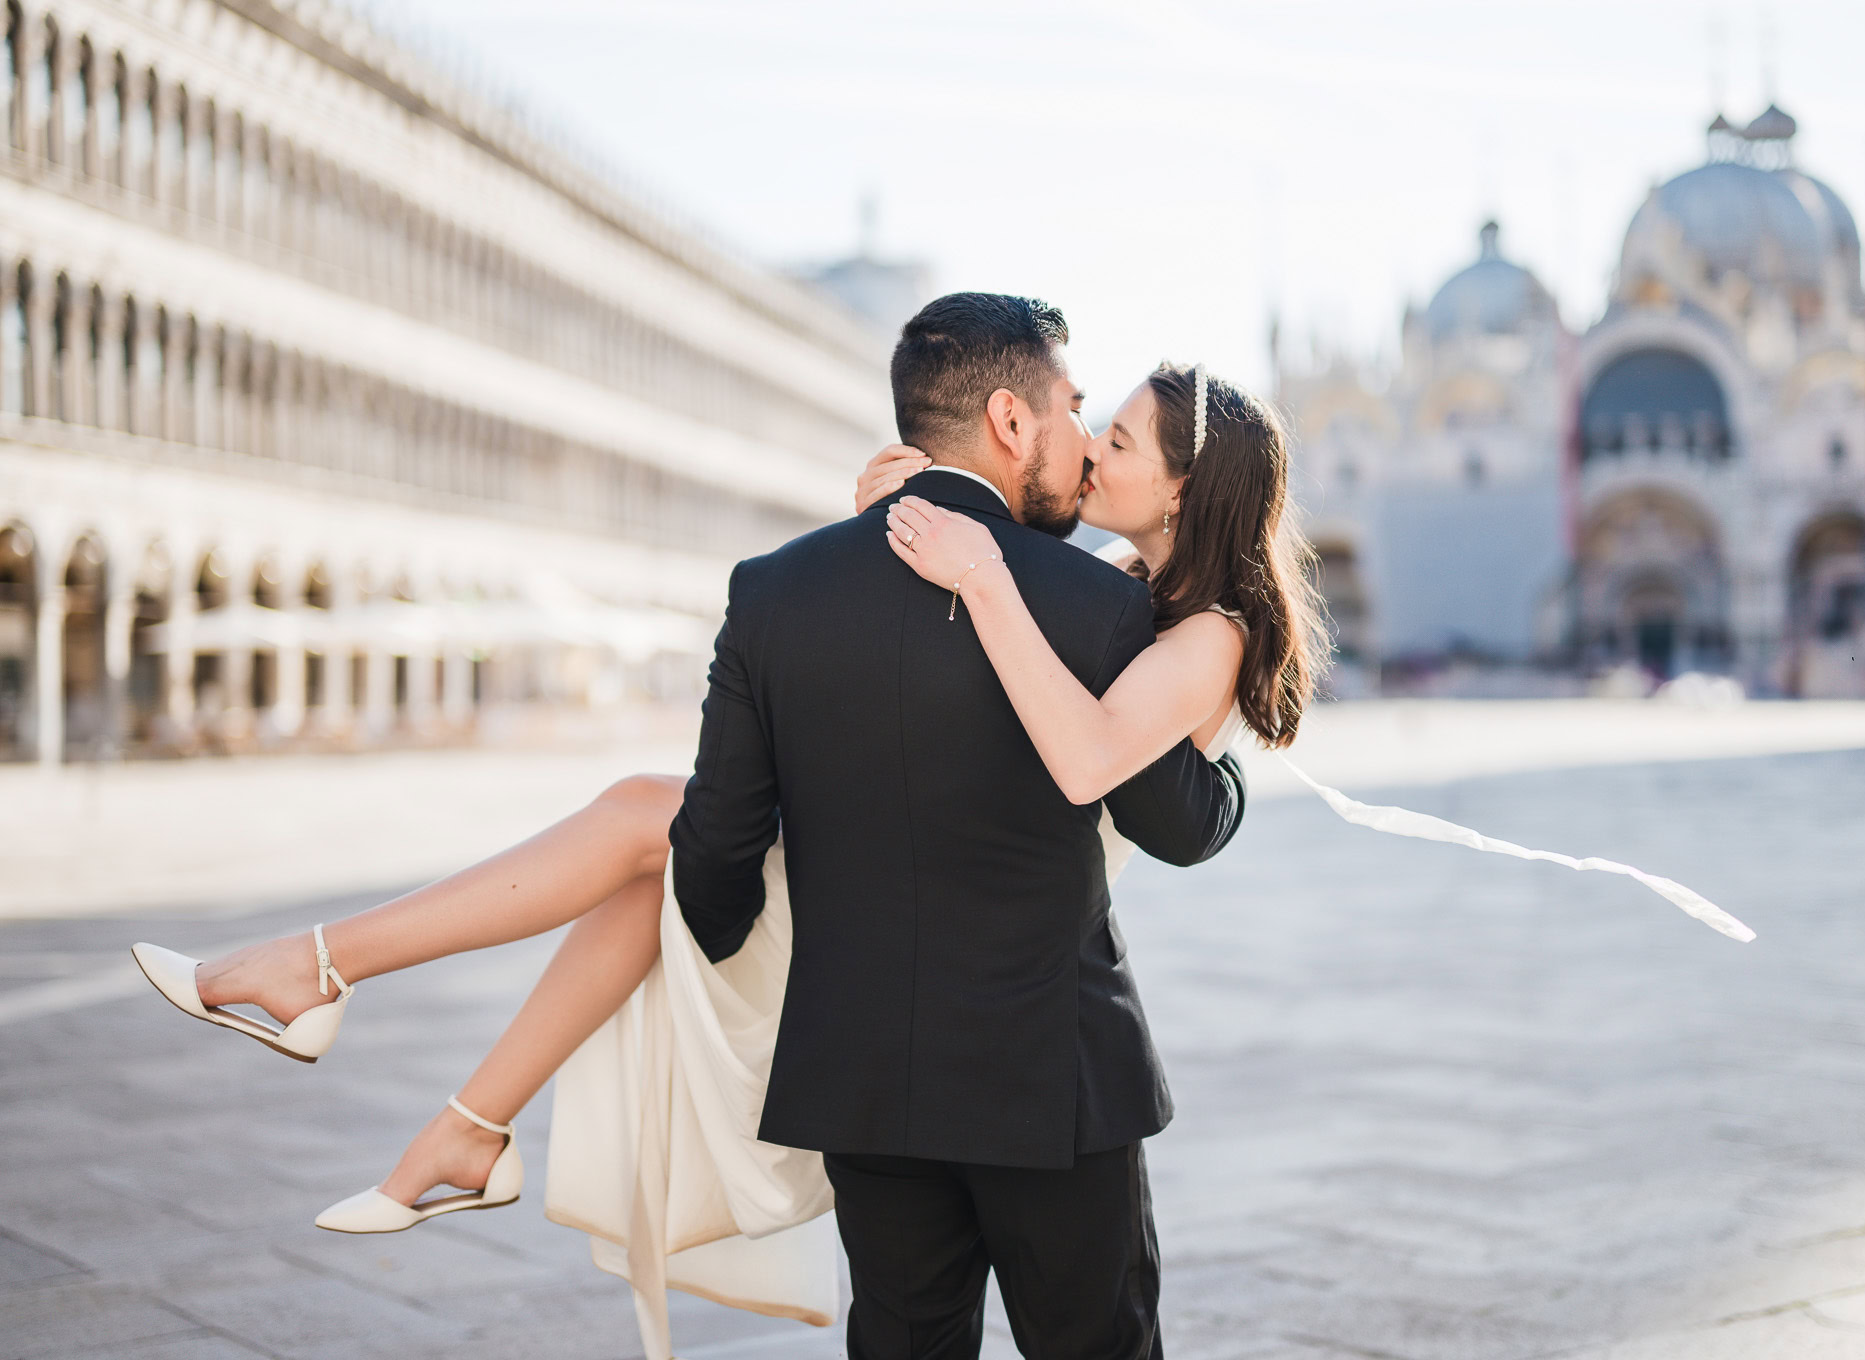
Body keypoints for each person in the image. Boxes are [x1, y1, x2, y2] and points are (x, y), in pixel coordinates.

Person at [132, 292, 1323, 1360]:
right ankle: (425, 1081)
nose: (1089, 444)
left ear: (1178, 485)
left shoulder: (831, 588)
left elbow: (1134, 790)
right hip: (1041, 1067)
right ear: (1011, 424)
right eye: (1081, 418)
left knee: (652, 842)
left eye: (1112, 436)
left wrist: (954, 560)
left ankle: (408, 1060)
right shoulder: (1106, 599)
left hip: (866, 1053)